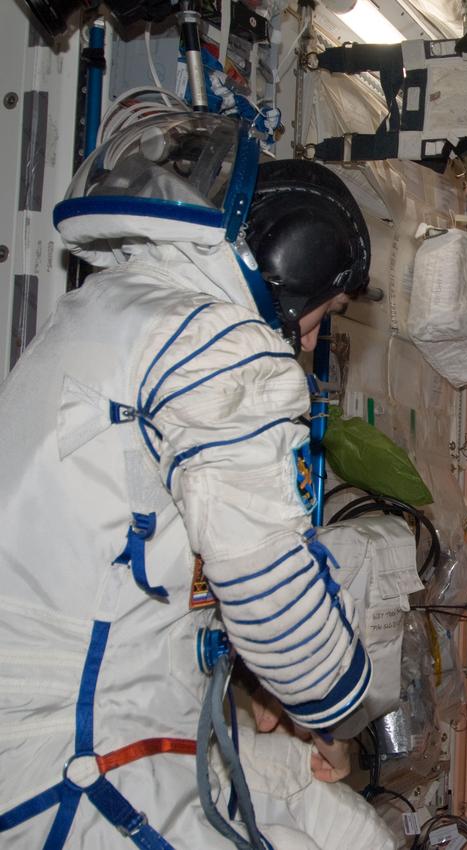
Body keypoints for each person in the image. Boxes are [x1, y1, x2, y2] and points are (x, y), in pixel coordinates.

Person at [0, 112, 407, 848]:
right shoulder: (222, 346)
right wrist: (338, 717)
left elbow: (155, 549)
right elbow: (274, 601)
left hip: (101, 707)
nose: (313, 341)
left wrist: (257, 685)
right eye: (328, 314)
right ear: (296, 260)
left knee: (347, 830)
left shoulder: (112, 307)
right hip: (76, 752)